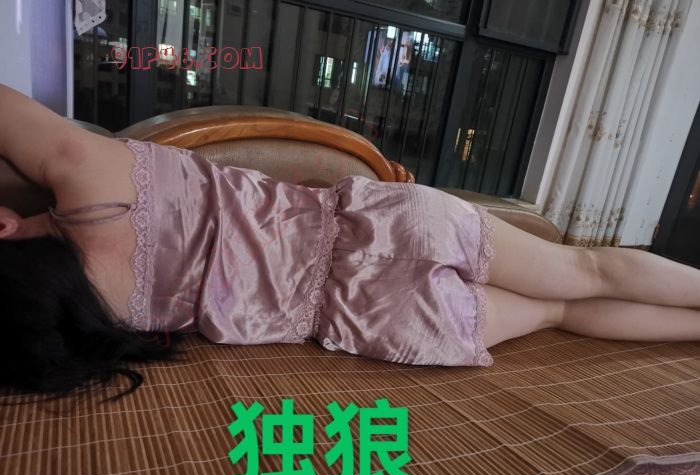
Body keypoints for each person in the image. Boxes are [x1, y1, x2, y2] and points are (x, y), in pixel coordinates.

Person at [1, 83, 699, 401]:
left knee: (563, 312)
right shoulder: (90, 178)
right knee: (586, 268)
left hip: (378, 320)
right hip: (389, 225)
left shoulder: (84, 325)